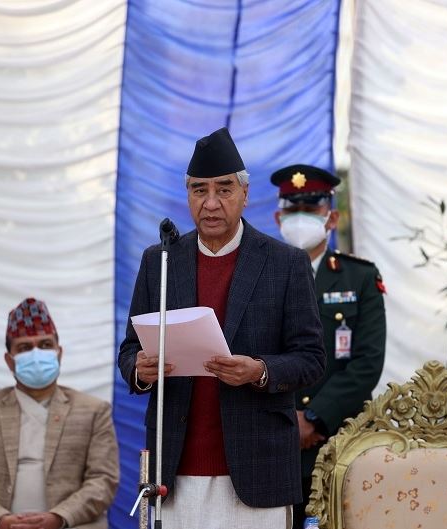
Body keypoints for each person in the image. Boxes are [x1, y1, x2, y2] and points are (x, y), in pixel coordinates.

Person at [118, 128, 325, 529]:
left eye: (224, 190)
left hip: (257, 469)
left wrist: (260, 371)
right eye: (199, 190)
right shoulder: (160, 261)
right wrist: (139, 371)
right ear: (188, 196)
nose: (211, 203)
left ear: (245, 194)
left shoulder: (285, 263)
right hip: (175, 471)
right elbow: (129, 349)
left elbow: (311, 358)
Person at [270, 164, 387, 528]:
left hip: (337, 441)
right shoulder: (260, 275)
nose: (300, 217)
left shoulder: (359, 277)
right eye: (292, 209)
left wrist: (315, 418)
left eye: (311, 208)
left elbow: (366, 362)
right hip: (273, 436)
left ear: (332, 217)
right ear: (278, 217)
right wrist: (289, 420)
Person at [0, 298, 118, 529]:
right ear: (10, 361)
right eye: (25, 348)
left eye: (46, 345)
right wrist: (0, 521)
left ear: (59, 353)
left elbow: (103, 481)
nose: (37, 354)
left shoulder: (93, 411)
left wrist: (58, 518)